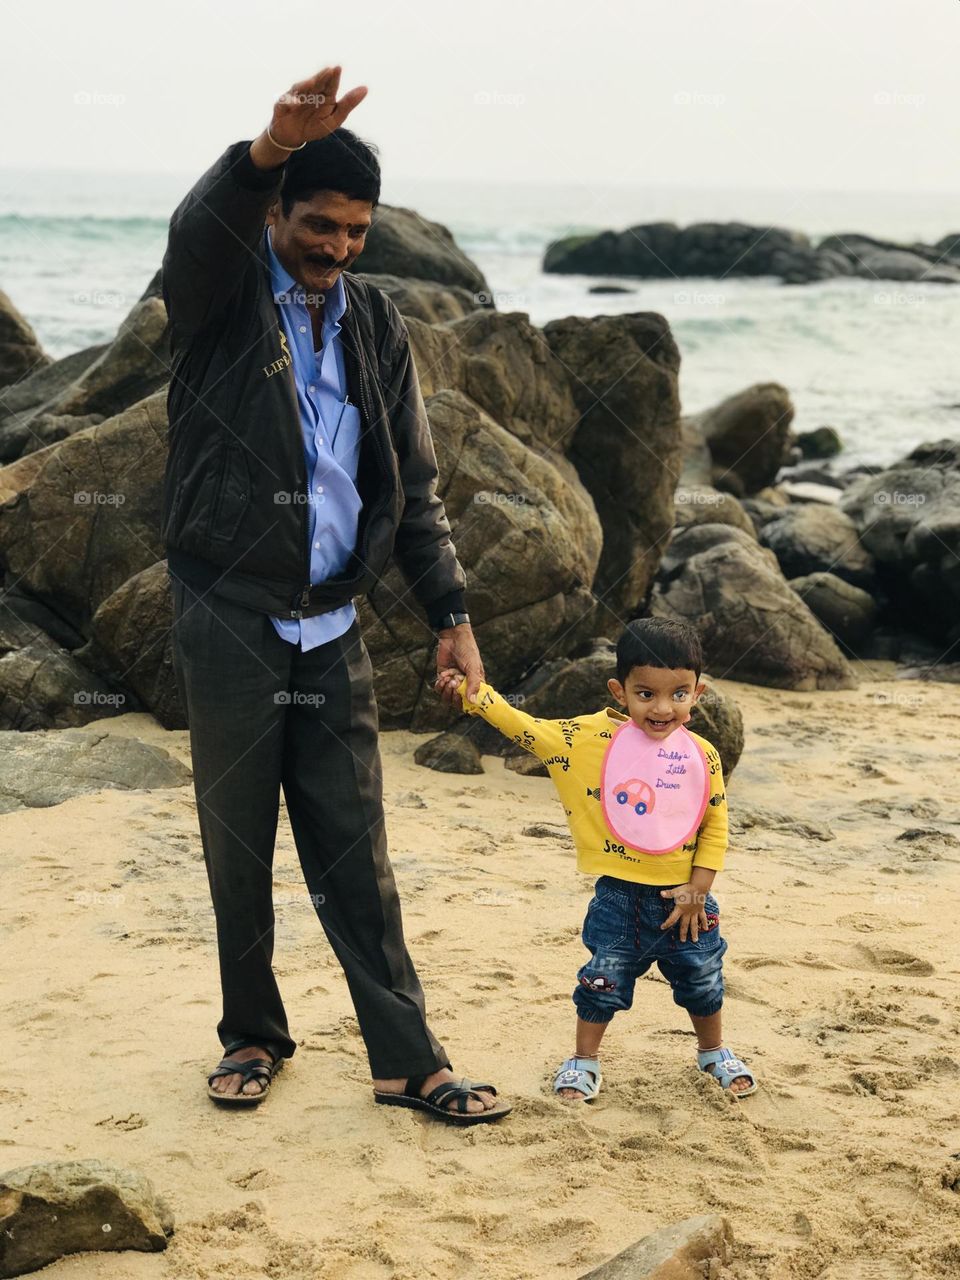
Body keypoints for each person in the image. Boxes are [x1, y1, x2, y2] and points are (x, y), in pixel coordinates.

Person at [162, 65, 509, 1124]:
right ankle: (252, 1034)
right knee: (239, 842)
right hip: (228, 608)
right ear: (278, 212)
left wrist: (451, 615)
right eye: (320, 224)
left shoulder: (375, 323)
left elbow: (412, 483)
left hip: (334, 624)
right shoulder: (217, 298)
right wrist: (264, 146)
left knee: (359, 849)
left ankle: (407, 1059)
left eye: (356, 231)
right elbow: (198, 226)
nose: (337, 248)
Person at [436, 617, 758, 1103]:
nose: (662, 708)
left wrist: (700, 889)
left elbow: (714, 827)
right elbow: (523, 726)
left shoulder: (703, 756)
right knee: (600, 979)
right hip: (618, 898)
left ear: (698, 692)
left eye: (679, 694)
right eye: (645, 693)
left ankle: (712, 1050)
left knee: (703, 977)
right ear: (619, 690)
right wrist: (472, 694)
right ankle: (584, 1060)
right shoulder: (585, 740)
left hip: (689, 900)